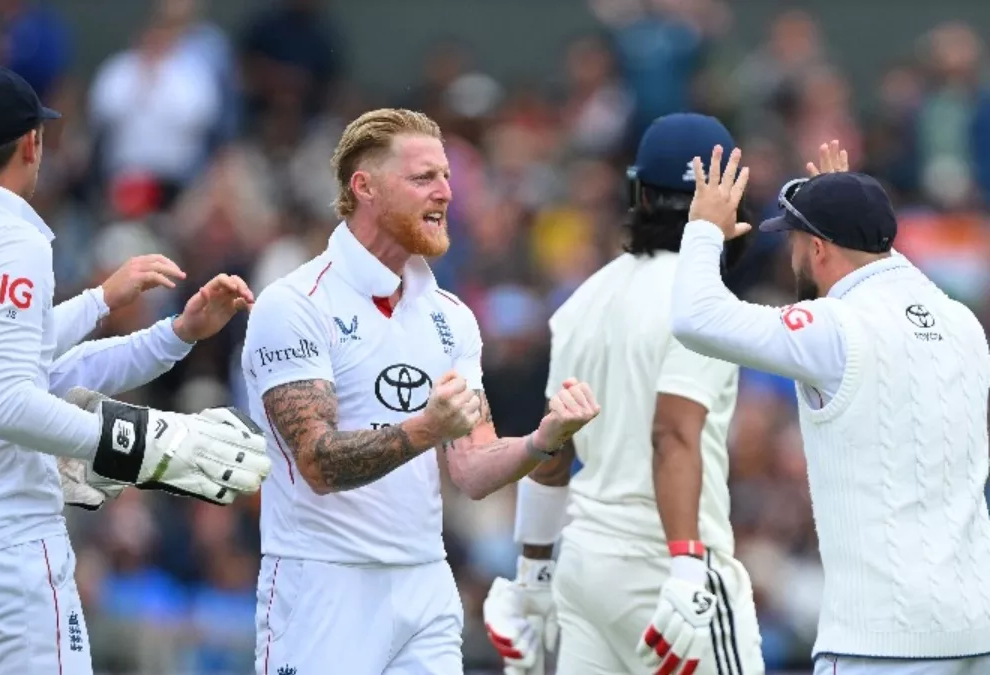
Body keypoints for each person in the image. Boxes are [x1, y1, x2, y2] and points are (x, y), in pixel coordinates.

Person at [0, 68, 272, 675]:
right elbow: (7, 402)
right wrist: (149, 446)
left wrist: (170, 332)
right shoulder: (11, 239)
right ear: (32, 144)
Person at [241, 107, 601, 675]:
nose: (446, 192)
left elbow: (472, 468)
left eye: (447, 176)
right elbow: (317, 463)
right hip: (323, 584)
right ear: (365, 188)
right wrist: (427, 427)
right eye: (423, 178)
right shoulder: (293, 305)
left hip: (425, 581)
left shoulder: (450, 316)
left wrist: (542, 440)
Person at [670, 141, 990, 675]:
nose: (791, 254)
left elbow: (695, 319)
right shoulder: (962, 322)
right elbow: (883, 269)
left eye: (795, 240)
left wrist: (703, 229)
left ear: (818, 248)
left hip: (882, 644)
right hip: (977, 631)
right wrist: (846, 207)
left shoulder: (834, 329)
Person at [481, 113, 765, 675]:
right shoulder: (704, 304)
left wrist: (533, 574)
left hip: (586, 570)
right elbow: (673, 435)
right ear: (730, 199)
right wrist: (686, 568)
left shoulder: (584, 299)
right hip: (667, 569)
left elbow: (552, 448)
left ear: (639, 194)